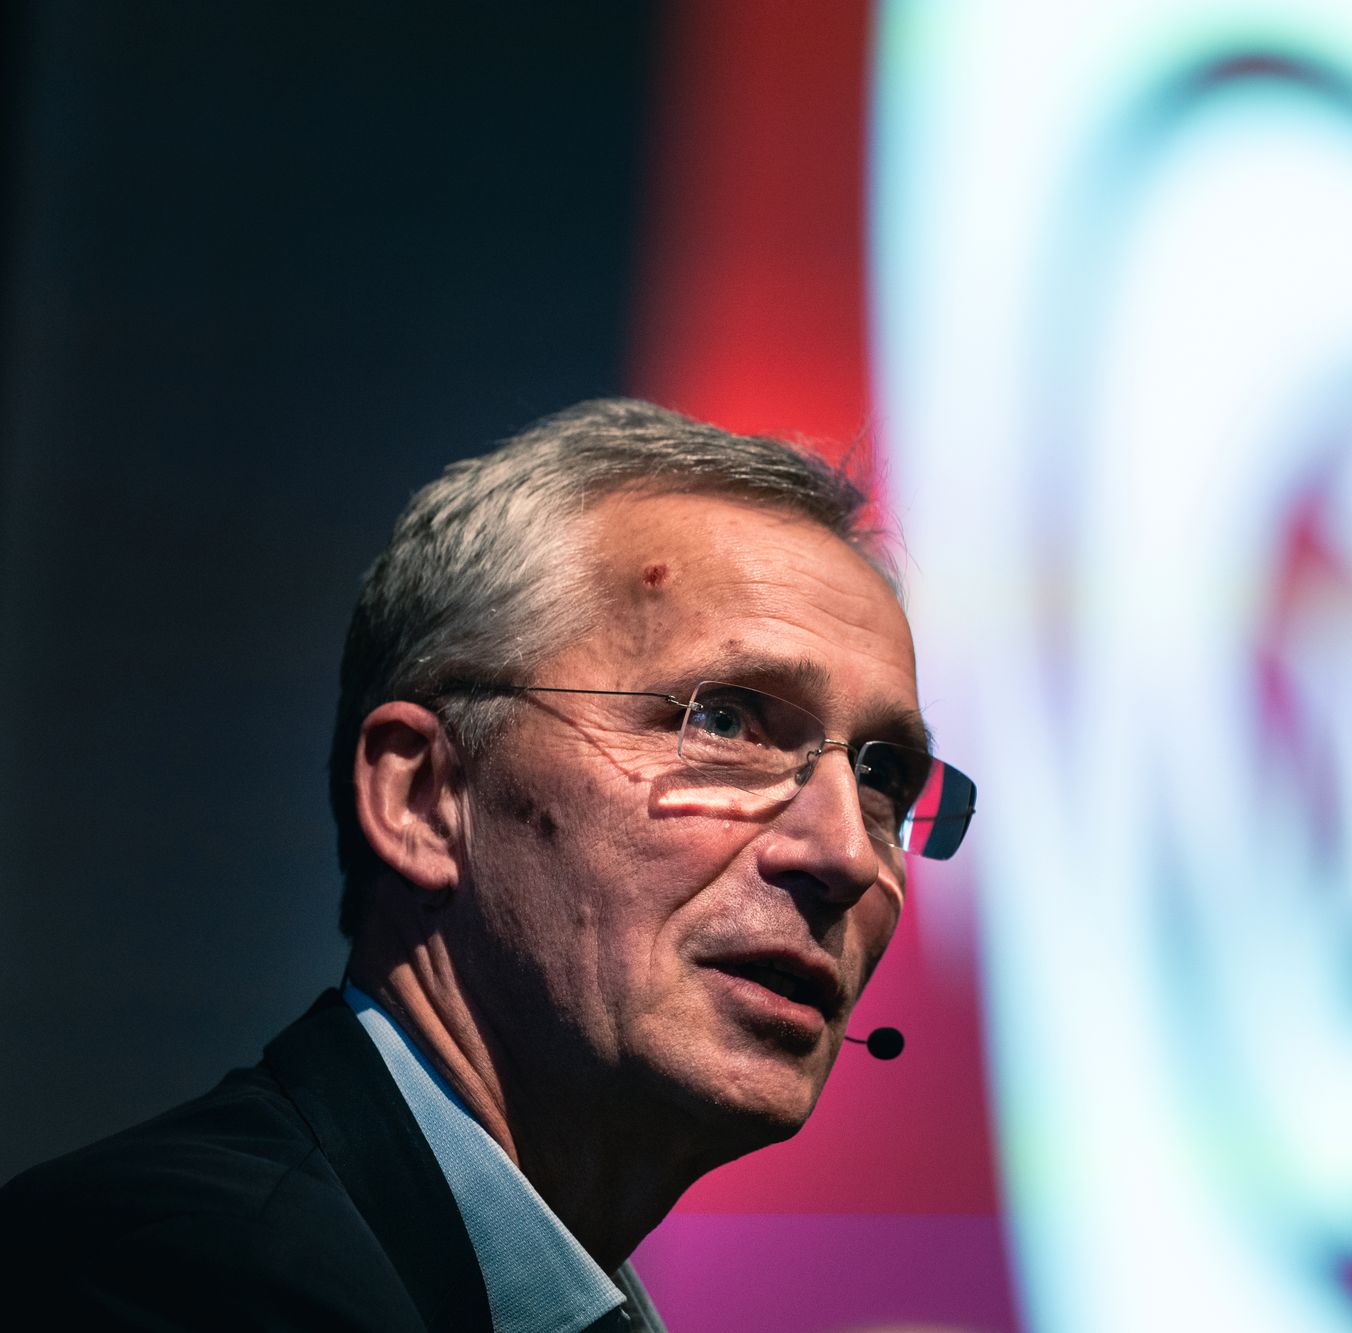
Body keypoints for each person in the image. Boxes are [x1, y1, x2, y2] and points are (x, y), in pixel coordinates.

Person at [0, 399, 976, 1330]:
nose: (846, 853)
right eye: (721, 720)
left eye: (884, 775)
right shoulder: (170, 1283)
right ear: (423, 796)